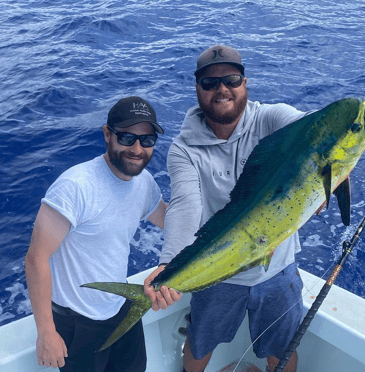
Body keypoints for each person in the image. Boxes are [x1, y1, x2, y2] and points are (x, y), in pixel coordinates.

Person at [145, 46, 305, 372]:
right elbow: (186, 205)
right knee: (200, 345)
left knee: (283, 351)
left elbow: (308, 129)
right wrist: (169, 262)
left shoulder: (271, 119)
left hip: (277, 268)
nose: (222, 89)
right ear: (197, 89)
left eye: (231, 79)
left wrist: (331, 165)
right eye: (210, 82)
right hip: (218, 271)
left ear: (245, 82)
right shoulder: (184, 149)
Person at [25, 96, 180, 372]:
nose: (136, 148)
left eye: (146, 141)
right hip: (77, 321)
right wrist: (46, 331)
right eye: (127, 137)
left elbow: (170, 220)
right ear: (107, 134)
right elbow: (36, 259)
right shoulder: (75, 186)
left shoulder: (143, 183)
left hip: (122, 308)